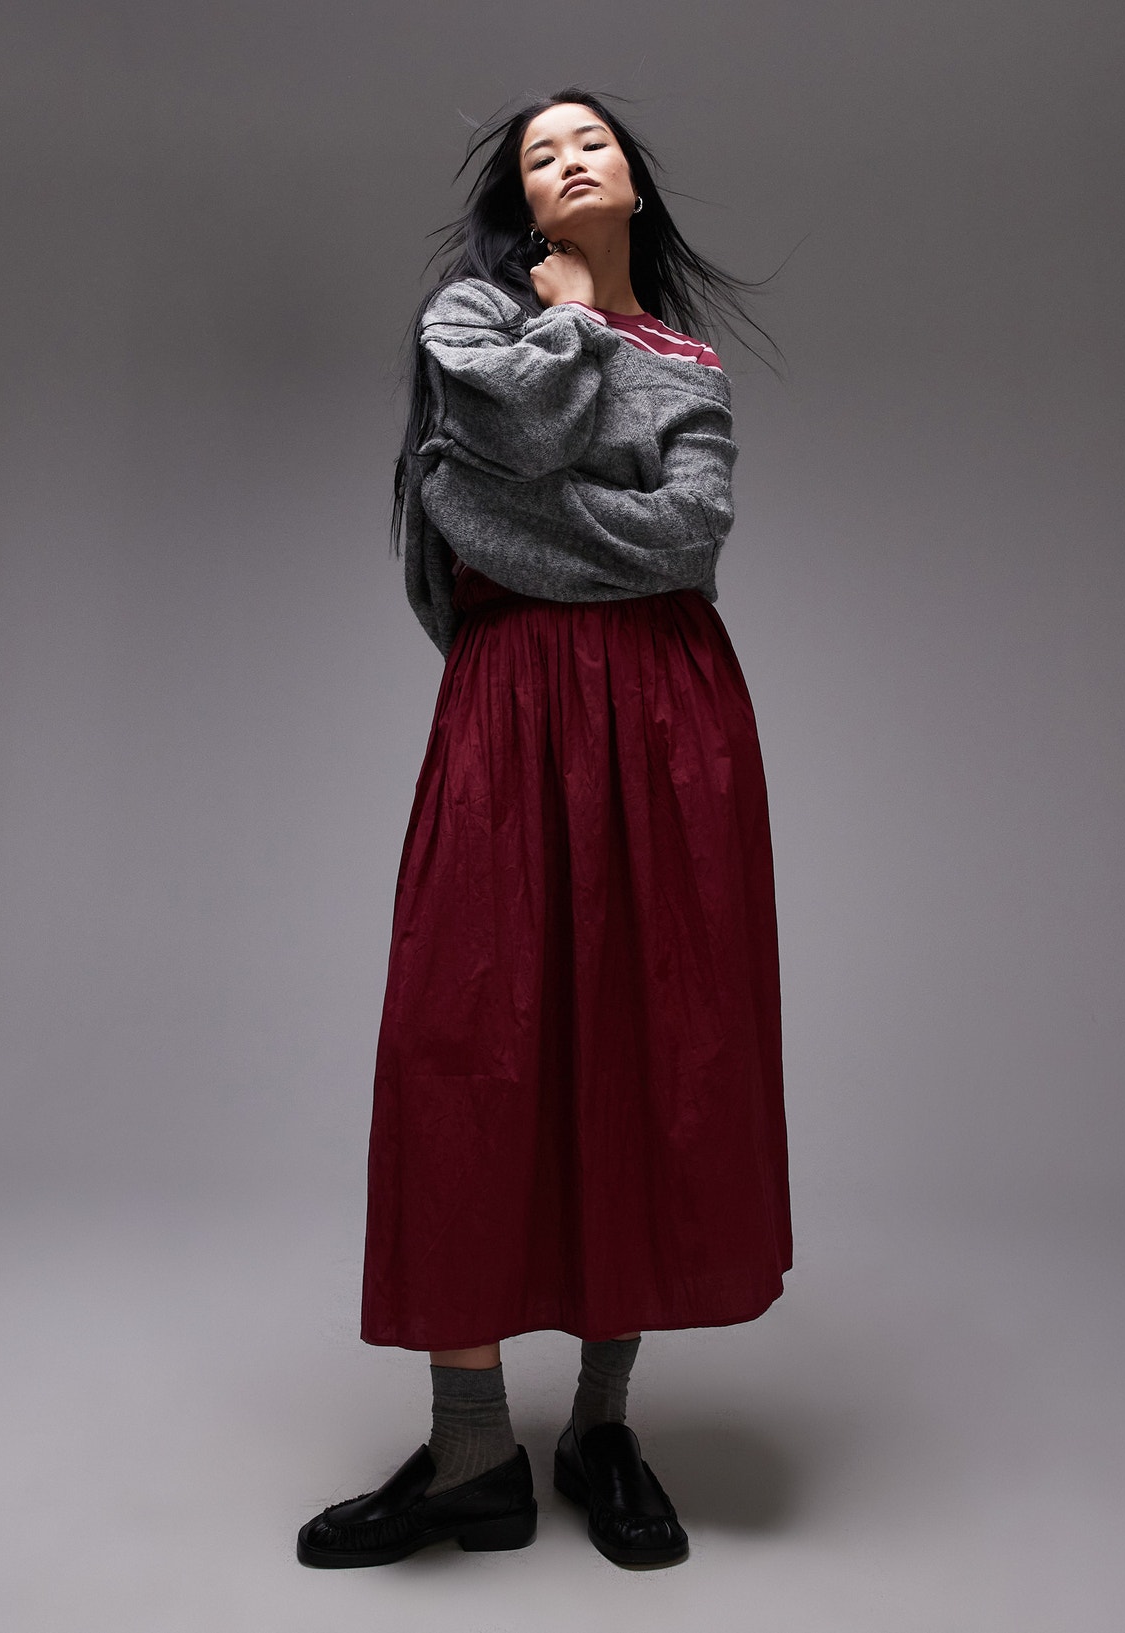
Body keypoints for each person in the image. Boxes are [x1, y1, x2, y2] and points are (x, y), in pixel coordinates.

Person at [297, 86, 792, 1572]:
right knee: (462, 1043)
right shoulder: (472, 326)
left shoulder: (691, 363)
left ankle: (601, 1427)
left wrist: (535, 521)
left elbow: (690, 536)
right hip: (508, 718)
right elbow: (465, 502)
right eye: (540, 153)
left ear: (634, 178)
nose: (571, 159)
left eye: (593, 141)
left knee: (639, 1045)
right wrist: (569, 327)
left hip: (669, 729)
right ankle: (470, 1453)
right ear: (521, 202)